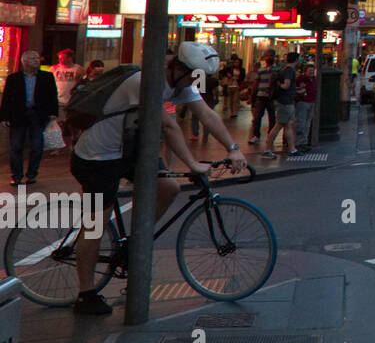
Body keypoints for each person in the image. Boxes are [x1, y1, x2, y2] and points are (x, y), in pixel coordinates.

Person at [70, 42, 247, 315]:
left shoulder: (181, 81)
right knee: (95, 225)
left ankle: (134, 244)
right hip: (98, 157)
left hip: (132, 151)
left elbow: (206, 114)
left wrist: (233, 149)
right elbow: (169, 125)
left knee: (168, 187)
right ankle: (85, 293)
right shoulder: (144, 82)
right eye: (192, 75)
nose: (194, 81)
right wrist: (192, 163)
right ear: (176, 67)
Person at [2, 50, 59, 186]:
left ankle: (32, 174)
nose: (36, 61)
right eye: (33, 58)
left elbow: (53, 95)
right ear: (25, 62)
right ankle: (16, 176)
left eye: (37, 58)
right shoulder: (14, 78)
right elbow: (7, 99)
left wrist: (53, 112)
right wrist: (4, 117)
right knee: (16, 146)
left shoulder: (47, 77)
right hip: (18, 115)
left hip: (38, 115)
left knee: (37, 146)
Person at [263, 51, 300, 158]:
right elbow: (285, 85)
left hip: (283, 100)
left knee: (284, 125)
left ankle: (291, 148)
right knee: (281, 125)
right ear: (296, 60)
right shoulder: (289, 71)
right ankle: (269, 149)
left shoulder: (283, 69)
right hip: (285, 101)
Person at [248, 52, 277, 144]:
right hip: (261, 96)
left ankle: (270, 135)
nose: (269, 57)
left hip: (272, 97)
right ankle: (256, 135)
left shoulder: (277, 70)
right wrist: (252, 97)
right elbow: (255, 84)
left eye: (271, 56)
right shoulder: (261, 70)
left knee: (272, 117)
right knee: (257, 117)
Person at [295, 60, 317, 152]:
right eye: (309, 71)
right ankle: (299, 143)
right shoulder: (300, 79)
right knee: (301, 123)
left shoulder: (314, 79)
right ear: (305, 71)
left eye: (312, 71)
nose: (311, 73)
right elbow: (295, 89)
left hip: (311, 102)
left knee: (307, 124)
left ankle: (304, 142)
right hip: (303, 103)